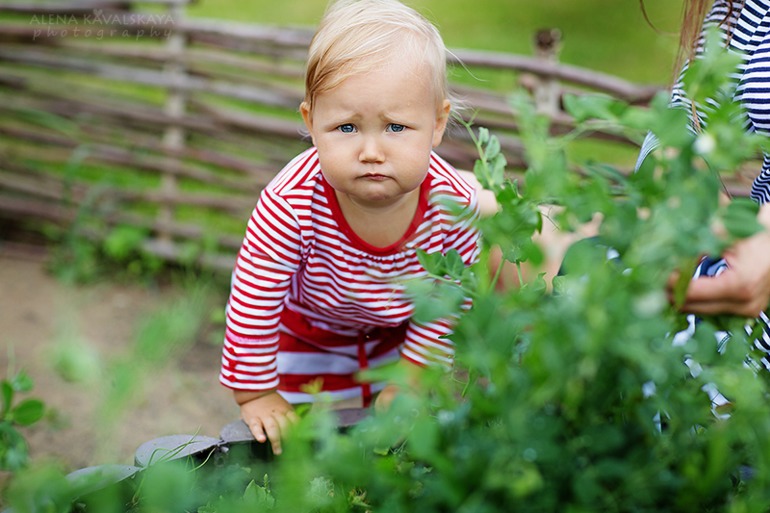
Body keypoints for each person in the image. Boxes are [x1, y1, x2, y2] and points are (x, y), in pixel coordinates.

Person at [219, 0, 480, 455]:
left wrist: (413, 374)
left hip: (398, 334)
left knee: (392, 438)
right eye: (346, 127)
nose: (372, 151)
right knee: (306, 442)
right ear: (311, 123)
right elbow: (254, 301)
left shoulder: (452, 202)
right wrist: (257, 391)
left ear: (437, 124)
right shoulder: (291, 204)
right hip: (309, 334)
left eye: (396, 126)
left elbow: (448, 294)